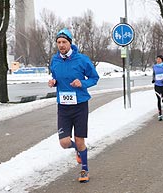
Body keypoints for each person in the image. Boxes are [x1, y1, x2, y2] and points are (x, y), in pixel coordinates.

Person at [48, 28, 99, 183]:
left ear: (70, 43)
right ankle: (77, 150)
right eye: (58, 42)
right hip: (63, 106)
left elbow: (94, 78)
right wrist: (53, 82)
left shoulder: (82, 59)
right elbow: (55, 76)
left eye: (64, 42)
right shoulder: (54, 60)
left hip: (80, 106)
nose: (61, 45)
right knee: (64, 143)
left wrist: (81, 83)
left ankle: (84, 169)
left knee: (79, 140)